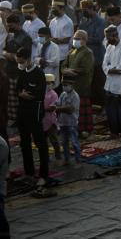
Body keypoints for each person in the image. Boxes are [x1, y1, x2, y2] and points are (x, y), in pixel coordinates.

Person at [15, 44, 49, 185]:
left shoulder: (39, 74)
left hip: (35, 113)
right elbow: (18, 89)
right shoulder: (22, 72)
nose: (20, 65)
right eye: (18, 62)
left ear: (29, 59)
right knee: (24, 144)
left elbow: (39, 95)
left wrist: (28, 95)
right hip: (23, 112)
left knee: (40, 144)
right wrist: (21, 94)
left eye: (22, 62)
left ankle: (43, 175)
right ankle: (29, 173)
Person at [102, 25, 121, 138]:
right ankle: (114, 131)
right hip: (109, 83)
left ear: (115, 36)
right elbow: (104, 64)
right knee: (110, 110)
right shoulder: (109, 47)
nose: (107, 40)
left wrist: (110, 69)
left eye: (108, 37)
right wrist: (110, 69)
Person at [55, 75, 81, 165]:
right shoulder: (63, 94)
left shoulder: (75, 96)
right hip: (63, 123)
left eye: (66, 85)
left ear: (71, 85)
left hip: (72, 123)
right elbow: (57, 104)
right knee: (64, 143)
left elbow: (70, 109)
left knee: (74, 142)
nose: (64, 87)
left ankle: (78, 160)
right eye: (63, 85)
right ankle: (67, 160)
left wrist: (59, 109)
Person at [43, 74, 61, 162]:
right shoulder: (41, 92)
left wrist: (42, 109)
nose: (47, 85)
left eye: (49, 83)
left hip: (51, 120)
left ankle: (58, 156)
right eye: (46, 83)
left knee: (54, 140)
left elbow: (53, 108)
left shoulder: (54, 94)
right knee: (43, 141)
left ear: (52, 84)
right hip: (42, 120)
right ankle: (46, 156)